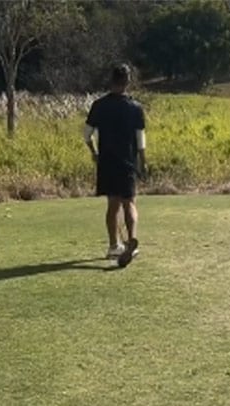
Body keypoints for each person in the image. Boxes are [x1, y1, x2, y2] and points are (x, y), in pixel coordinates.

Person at [84, 64, 146, 268]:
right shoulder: (135, 108)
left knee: (112, 205)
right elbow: (140, 140)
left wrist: (94, 153)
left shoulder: (99, 105)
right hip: (127, 160)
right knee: (130, 202)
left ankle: (114, 245)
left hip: (107, 160)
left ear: (110, 80)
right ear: (128, 82)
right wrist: (142, 163)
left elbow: (87, 135)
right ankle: (132, 241)